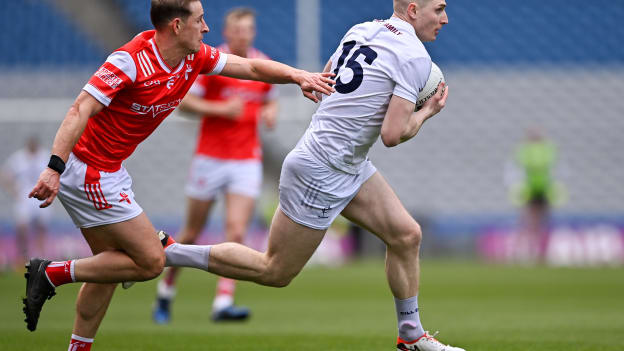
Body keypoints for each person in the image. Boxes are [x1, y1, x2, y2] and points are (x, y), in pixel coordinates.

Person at [22, 0, 334, 349]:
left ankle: (77, 345)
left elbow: (251, 68)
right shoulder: (129, 60)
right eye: (200, 20)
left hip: (110, 170)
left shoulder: (194, 57)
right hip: (89, 171)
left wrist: (297, 75)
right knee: (151, 261)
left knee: (109, 269)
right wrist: (54, 167)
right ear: (176, 25)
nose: (207, 28)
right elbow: (80, 109)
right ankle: (51, 273)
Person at [160, 0, 464, 350]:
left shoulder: (362, 30)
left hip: (345, 162)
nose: (445, 18)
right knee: (274, 271)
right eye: (438, 9)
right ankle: (171, 252)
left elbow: (325, 83)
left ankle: (411, 335)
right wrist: (427, 111)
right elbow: (393, 135)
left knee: (406, 235)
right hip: (322, 169)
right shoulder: (414, 57)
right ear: (413, 10)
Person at [152, 7, 278, 324]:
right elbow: (184, 103)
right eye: (237, 29)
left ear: (253, 32)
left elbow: (269, 94)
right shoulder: (211, 62)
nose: (242, 34)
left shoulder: (259, 62)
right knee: (192, 233)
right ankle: (166, 291)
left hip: (246, 159)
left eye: (248, 29)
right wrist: (221, 109)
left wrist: (271, 111)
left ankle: (223, 302)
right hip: (210, 157)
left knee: (236, 231)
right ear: (227, 32)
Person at [506, 127, 564, 262]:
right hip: (529, 190)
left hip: (543, 189)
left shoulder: (547, 150)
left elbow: (556, 170)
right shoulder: (524, 150)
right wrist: (517, 187)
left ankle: (540, 253)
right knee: (527, 222)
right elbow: (514, 170)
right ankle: (524, 251)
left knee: (541, 222)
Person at [0, 136, 51, 267]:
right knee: (22, 227)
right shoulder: (19, 158)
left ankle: (40, 256)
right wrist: (13, 190)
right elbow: (5, 174)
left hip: (41, 194)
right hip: (24, 197)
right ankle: (22, 255)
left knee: (41, 227)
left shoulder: (44, 156)